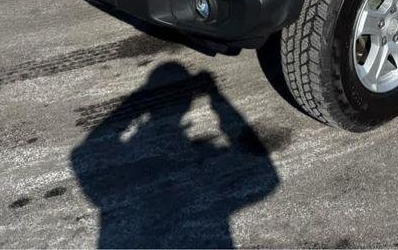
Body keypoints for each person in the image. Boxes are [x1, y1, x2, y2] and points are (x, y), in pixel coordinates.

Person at [71, 61, 279, 248]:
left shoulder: (126, 176)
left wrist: (142, 98)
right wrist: (216, 96)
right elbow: (268, 177)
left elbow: (87, 150)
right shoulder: (205, 178)